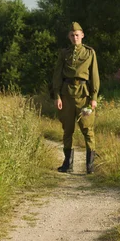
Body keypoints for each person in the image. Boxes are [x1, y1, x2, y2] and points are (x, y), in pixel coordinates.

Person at [52, 22, 99, 174]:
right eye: (72, 35)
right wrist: (57, 96)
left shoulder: (89, 53)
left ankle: (90, 166)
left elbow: (94, 76)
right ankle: (67, 164)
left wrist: (94, 97)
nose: (74, 37)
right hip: (66, 96)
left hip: (84, 96)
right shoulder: (64, 54)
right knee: (67, 130)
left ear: (82, 35)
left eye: (77, 35)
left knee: (87, 128)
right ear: (69, 37)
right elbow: (57, 76)